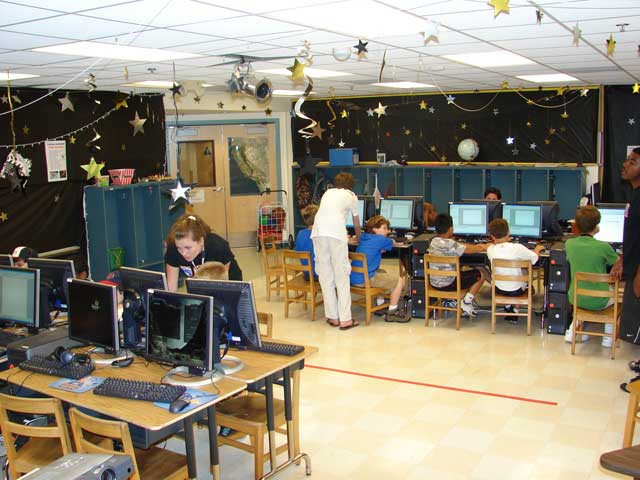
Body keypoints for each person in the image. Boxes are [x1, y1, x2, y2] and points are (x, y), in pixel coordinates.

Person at [311, 172, 361, 330]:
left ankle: (332, 317)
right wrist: (359, 238)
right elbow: (356, 222)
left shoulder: (328, 193)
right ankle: (346, 319)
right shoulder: (351, 196)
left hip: (318, 233)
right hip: (336, 235)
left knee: (325, 275)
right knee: (342, 275)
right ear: (351, 186)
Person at [564, 206, 619, 346]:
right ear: (596, 226)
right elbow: (618, 264)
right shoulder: (604, 247)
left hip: (575, 298)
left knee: (584, 291)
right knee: (617, 295)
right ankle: (608, 338)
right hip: (599, 301)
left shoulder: (569, 244)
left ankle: (571, 332)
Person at [427, 213, 491, 316]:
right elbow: (472, 249)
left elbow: (459, 246)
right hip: (449, 284)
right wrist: (484, 246)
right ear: (450, 229)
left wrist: (461, 244)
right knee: (481, 274)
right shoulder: (452, 244)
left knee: (473, 269)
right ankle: (466, 303)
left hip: (434, 283)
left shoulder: (433, 242)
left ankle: (463, 301)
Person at [351, 215, 410, 323]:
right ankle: (392, 312)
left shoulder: (363, 237)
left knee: (380, 272)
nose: (387, 231)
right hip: (364, 279)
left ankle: (380, 305)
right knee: (399, 280)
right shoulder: (381, 239)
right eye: (384, 228)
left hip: (354, 278)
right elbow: (392, 242)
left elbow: (375, 247)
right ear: (374, 229)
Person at [165, 213, 242, 292]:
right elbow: (171, 286)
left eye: (188, 248)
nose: (183, 253)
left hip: (229, 283)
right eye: (179, 248)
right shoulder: (173, 248)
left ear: (201, 241)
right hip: (198, 284)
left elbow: (224, 284)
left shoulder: (218, 246)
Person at [486, 218, 544, 323]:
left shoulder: (490, 250)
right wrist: (537, 249)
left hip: (498, 289)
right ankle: (515, 309)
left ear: (492, 236)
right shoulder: (517, 248)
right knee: (526, 276)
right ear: (508, 232)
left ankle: (508, 306)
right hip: (516, 291)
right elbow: (534, 259)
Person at [611, 147, 640, 343]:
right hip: (632, 268)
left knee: (634, 329)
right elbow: (633, 235)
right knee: (630, 329)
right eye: (627, 159)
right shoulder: (634, 195)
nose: (625, 164)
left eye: (632, 161)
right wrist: (622, 259)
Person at [295, 204, 318, 279]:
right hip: (318, 274)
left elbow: (297, 250)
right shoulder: (318, 235)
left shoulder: (300, 233)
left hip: (306, 274)